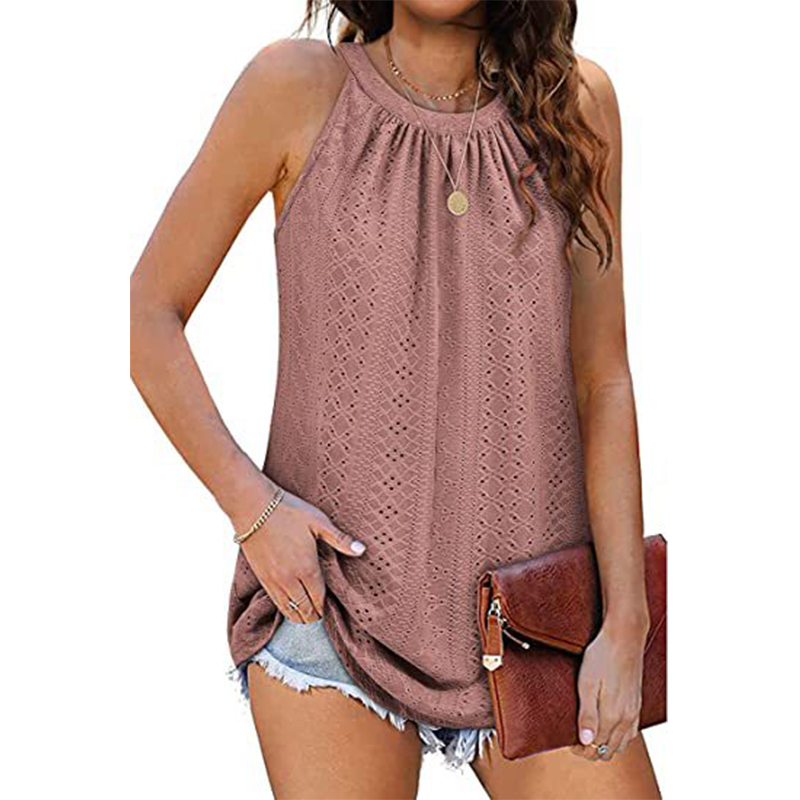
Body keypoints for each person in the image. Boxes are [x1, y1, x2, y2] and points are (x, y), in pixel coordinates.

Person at [130, 1, 661, 797]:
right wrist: (253, 508)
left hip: (536, 626)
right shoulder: (295, 88)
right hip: (333, 614)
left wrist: (626, 620)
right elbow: (149, 313)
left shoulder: (575, 107)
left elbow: (603, 379)